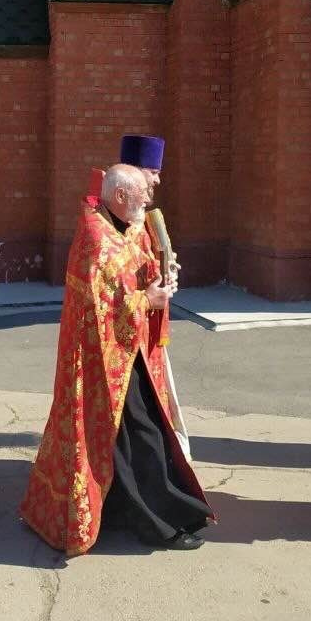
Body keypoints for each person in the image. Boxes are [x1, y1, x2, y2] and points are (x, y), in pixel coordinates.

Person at [21, 164, 212, 556]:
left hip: (126, 352)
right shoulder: (96, 236)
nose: (150, 198)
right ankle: (158, 523)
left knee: (136, 436)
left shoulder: (123, 225)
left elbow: (135, 271)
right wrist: (149, 299)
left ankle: (139, 510)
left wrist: (162, 274)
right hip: (98, 360)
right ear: (121, 196)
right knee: (139, 437)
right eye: (144, 191)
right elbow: (101, 301)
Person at [117, 134, 191, 459]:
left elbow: (154, 255)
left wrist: (167, 269)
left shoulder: (145, 215)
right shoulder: (111, 213)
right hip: (125, 331)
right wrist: (147, 295)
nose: (158, 179)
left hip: (149, 328)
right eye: (152, 171)